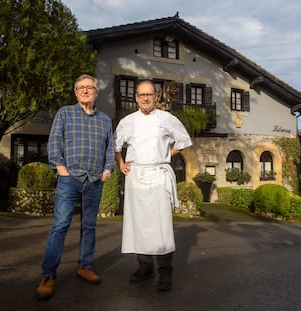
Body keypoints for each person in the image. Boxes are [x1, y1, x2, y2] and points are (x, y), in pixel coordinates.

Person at [36, 74, 115, 300]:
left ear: (96, 92)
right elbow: (54, 142)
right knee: (60, 226)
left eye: (89, 87)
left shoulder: (105, 120)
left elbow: (111, 147)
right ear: (75, 92)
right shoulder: (65, 113)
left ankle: (85, 266)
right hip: (69, 179)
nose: (85, 91)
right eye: (80, 88)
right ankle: (48, 275)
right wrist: (61, 168)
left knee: (89, 226)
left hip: (94, 181)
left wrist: (107, 169)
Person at [114, 80, 192, 291]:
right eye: (141, 95)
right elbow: (116, 145)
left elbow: (183, 141)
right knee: (139, 225)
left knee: (162, 225)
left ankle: (165, 272)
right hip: (136, 175)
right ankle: (145, 268)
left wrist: (166, 154)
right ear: (136, 98)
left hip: (158, 175)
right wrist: (121, 163)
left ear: (155, 97)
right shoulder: (127, 121)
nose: (146, 98)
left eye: (149, 94)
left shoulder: (167, 119)